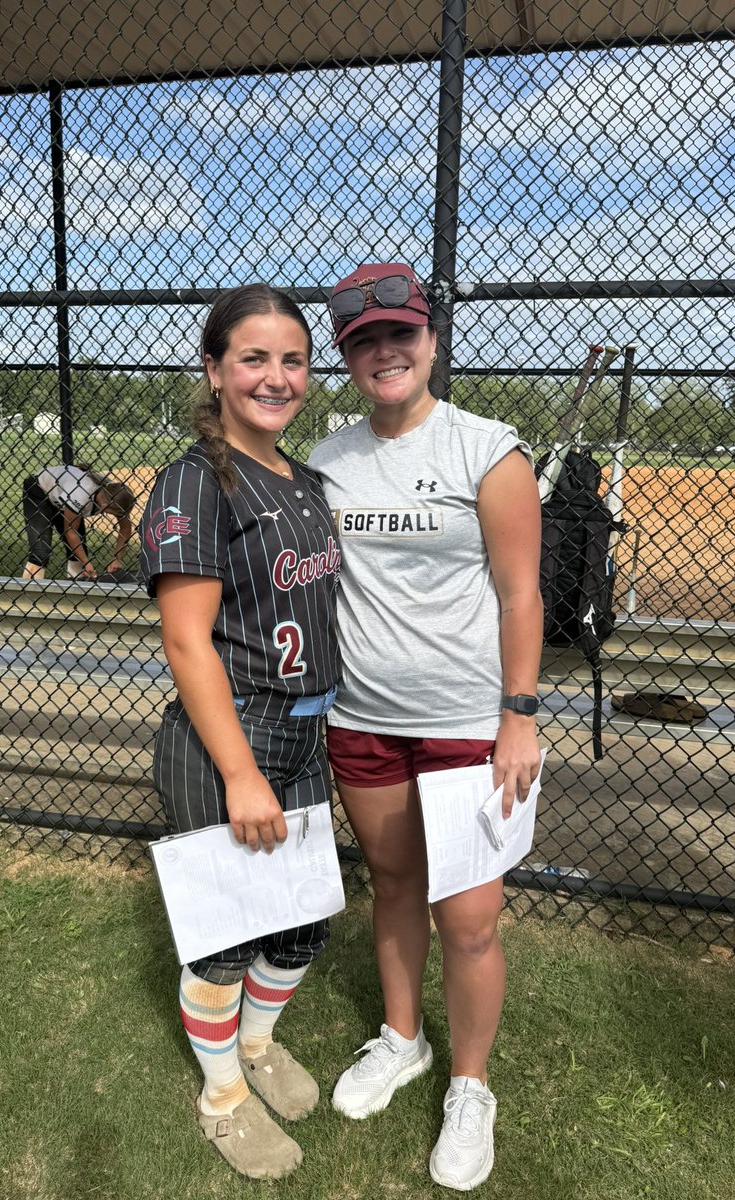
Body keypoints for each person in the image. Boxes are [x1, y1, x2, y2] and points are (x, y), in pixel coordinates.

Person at [307, 262, 543, 1191]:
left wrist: (518, 716)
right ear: (348, 359)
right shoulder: (327, 458)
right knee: (394, 883)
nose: (385, 352)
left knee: (471, 918)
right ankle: (402, 1038)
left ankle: (471, 1085)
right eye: (364, 342)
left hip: (464, 725)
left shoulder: (489, 449)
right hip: (362, 717)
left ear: (431, 339)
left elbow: (521, 595)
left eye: (400, 334)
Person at [138, 285, 340, 1181]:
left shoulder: (305, 477)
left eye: (291, 358)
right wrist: (240, 773)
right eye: (253, 358)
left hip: (307, 728)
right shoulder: (196, 478)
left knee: (299, 926)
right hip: (235, 735)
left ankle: (257, 1048)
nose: (275, 376)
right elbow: (187, 639)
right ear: (215, 370)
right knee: (224, 942)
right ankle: (221, 1099)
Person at [21, 464, 135, 580]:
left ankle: (76, 591)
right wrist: (86, 563)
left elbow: (125, 527)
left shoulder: (115, 493)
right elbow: (70, 531)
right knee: (41, 553)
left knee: (77, 552)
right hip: (39, 491)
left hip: (62, 494)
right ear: (105, 506)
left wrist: (117, 558)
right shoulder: (81, 494)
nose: (119, 516)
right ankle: (28, 591)